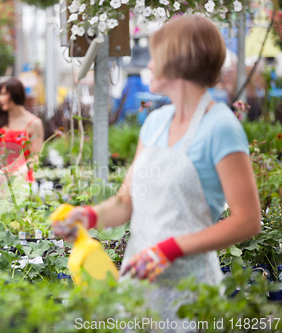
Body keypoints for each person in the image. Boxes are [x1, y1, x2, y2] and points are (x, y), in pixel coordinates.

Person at [52, 15, 260, 328]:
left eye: (156, 56)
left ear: (179, 60)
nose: (149, 65)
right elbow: (125, 204)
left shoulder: (221, 127)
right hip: (138, 282)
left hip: (190, 291)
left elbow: (248, 220)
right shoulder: (155, 122)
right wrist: (89, 216)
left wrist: (170, 249)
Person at [0, 78, 44, 185]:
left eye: (3, 94)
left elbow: (36, 156)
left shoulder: (34, 123)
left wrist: (20, 171)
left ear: (16, 94)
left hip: (21, 179)